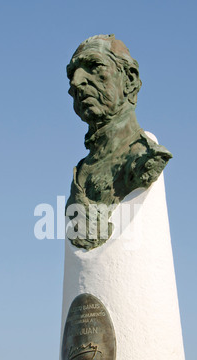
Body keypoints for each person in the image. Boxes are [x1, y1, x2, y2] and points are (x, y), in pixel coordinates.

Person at [66, 34, 172, 250]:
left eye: (94, 65)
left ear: (130, 80)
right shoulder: (83, 170)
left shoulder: (144, 157)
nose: (77, 82)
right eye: (71, 74)